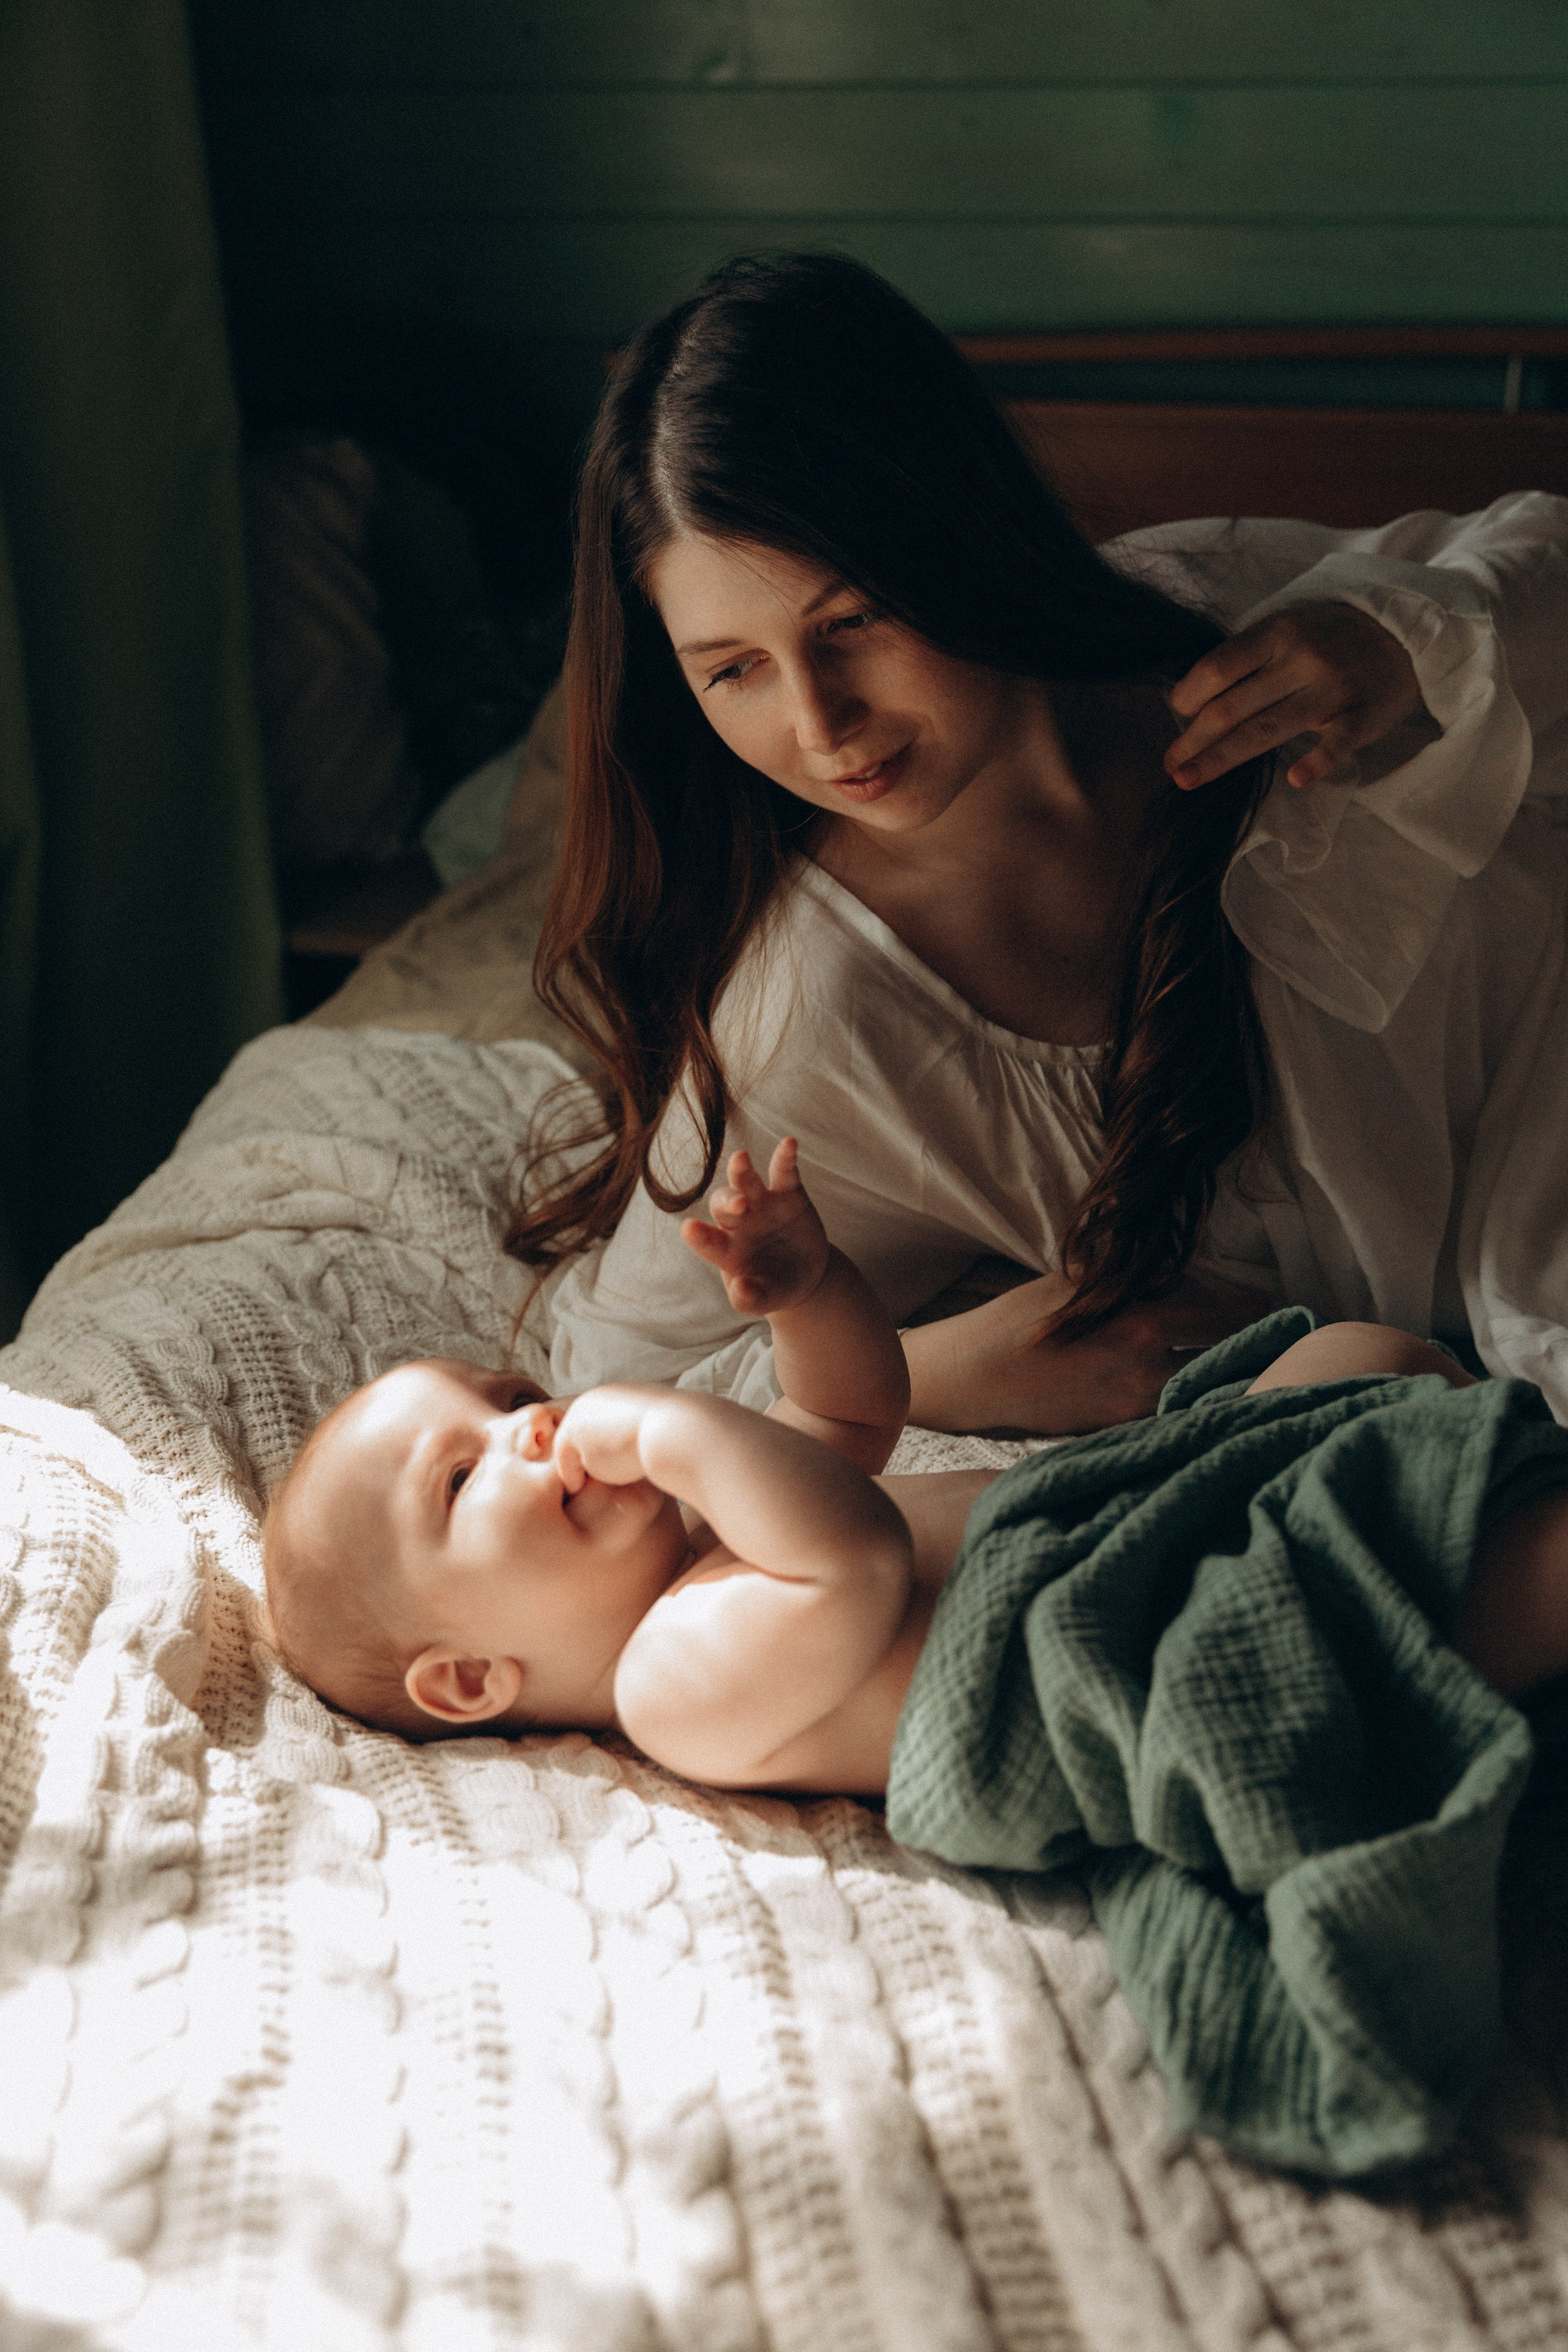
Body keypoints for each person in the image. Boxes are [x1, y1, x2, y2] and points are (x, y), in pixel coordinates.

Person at [506, 252, 1568, 1434]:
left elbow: (1536, 556)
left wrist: (1407, 643)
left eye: (853, 620)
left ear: (961, 532)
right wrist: (938, 1369)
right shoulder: (827, 1015)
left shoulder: (1212, 608)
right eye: (735, 671)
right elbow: (608, 1396)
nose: (818, 726)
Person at [265, 1141, 1568, 1781]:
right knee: (1461, 1592)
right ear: (473, 1678)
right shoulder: (671, 1687)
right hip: (1160, 1650)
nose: (529, 1429)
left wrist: (810, 1288)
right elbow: (852, 1557)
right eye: (460, 1477)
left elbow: (851, 1416)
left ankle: (1473, 1476)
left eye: (511, 1400)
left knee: (1359, 1357)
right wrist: (668, 1424)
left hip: (1147, 1528)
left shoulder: (708, 1533)